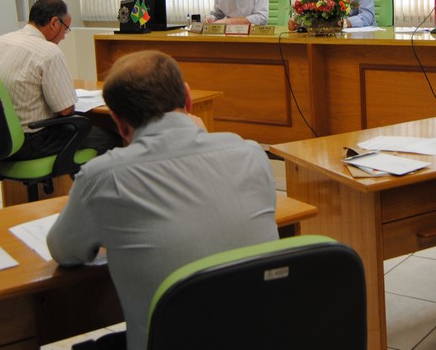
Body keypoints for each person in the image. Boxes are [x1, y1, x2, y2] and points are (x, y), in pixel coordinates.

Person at [47, 50, 278, 350]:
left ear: (119, 124)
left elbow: (65, 251)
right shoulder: (250, 154)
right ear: (188, 98)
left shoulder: (103, 176)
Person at [0, 0, 119, 157]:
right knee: (111, 139)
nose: (64, 36)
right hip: (31, 140)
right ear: (55, 23)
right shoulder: (49, 52)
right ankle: (84, 182)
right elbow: (65, 110)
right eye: (66, 29)